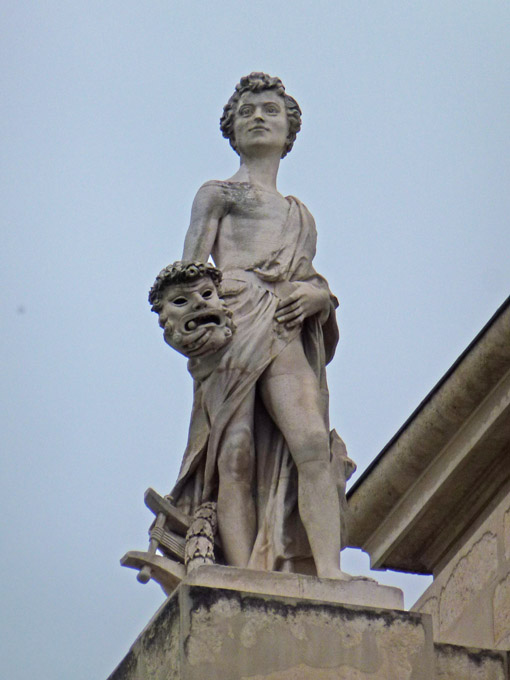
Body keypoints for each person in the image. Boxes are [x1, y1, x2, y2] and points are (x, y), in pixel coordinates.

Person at [164, 73, 351, 579]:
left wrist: (320, 297)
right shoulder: (219, 193)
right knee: (237, 452)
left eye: (270, 109)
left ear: (290, 131)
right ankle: (246, 573)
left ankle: (328, 570)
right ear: (232, 129)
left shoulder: (300, 215)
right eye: (247, 111)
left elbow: (308, 278)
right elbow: (189, 274)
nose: (258, 117)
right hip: (232, 317)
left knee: (311, 442)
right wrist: (192, 329)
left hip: (286, 321)